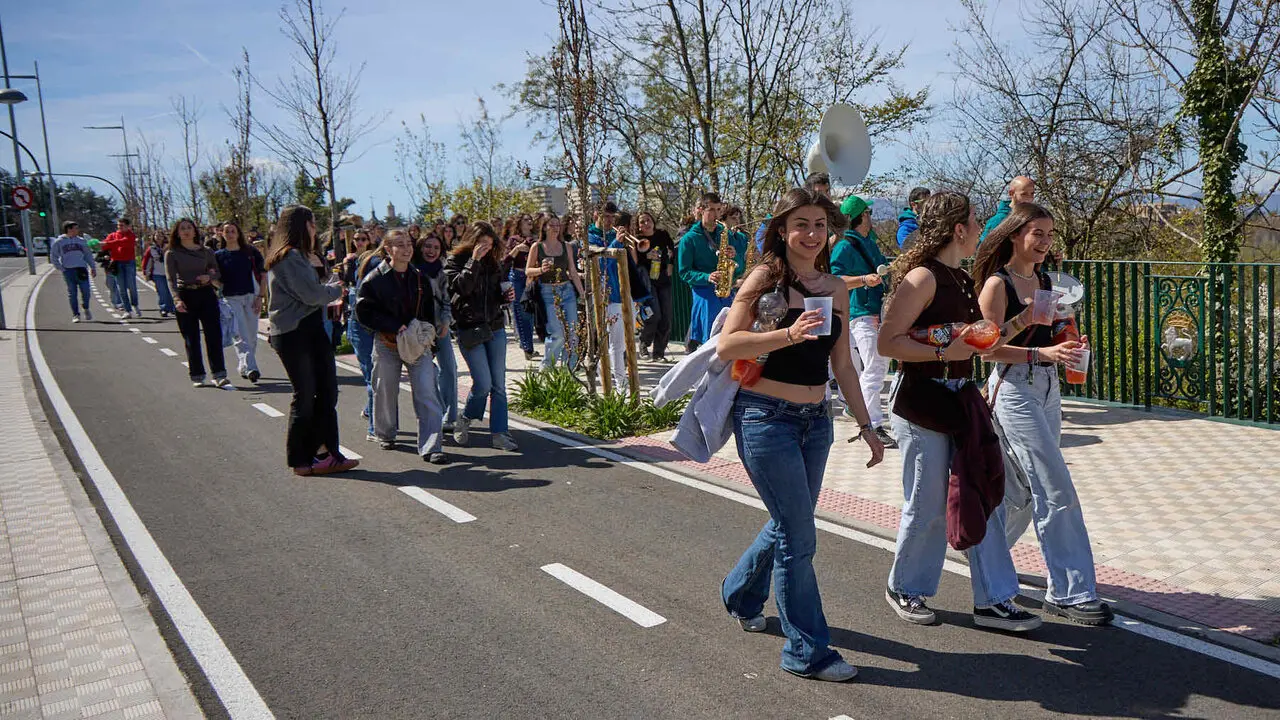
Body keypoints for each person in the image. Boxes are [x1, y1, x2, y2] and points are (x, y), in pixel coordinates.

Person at [718, 187, 885, 683]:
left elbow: (843, 365)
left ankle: (741, 592)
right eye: (801, 225)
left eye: (819, 225)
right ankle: (807, 651)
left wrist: (866, 424)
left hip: (817, 423)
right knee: (798, 537)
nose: (812, 234)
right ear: (782, 230)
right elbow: (729, 343)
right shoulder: (765, 278)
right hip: (765, 418)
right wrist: (786, 334)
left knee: (790, 523)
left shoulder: (835, 286)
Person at [877, 191, 1043, 633]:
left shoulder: (961, 277)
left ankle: (994, 599)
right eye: (974, 219)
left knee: (983, 494)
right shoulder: (922, 278)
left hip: (959, 399)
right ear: (957, 229)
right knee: (928, 501)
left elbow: (976, 344)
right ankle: (905, 587)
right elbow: (888, 343)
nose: (980, 226)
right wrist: (940, 351)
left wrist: (1024, 322)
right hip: (921, 400)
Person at [974, 202, 1112, 626]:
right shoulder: (998, 286)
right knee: (1055, 485)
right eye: (1038, 234)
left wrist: (1070, 344)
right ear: (1015, 235)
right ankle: (1070, 592)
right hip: (1013, 386)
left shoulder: (1049, 281)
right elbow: (987, 347)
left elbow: (1058, 329)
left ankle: (986, 559)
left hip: (1048, 386)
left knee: (1021, 491)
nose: (1045, 243)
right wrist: (1040, 350)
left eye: (1050, 235)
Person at [265, 204, 359, 477]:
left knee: (327, 391)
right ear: (300, 225)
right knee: (306, 395)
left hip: (311, 328)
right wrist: (335, 289)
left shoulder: (303, 256)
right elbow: (311, 294)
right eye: (312, 223)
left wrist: (325, 280)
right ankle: (301, 459)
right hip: (294, 332)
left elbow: (314, 289)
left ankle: (325, 453)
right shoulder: (287, 257)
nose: (315, 228)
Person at [357, 229, 448, 464]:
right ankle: (386, 433)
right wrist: (393, 325)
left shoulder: (420, 279)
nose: (407, 249)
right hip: (387, 343)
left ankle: (431, 446)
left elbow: (428, 312)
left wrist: (429, 340)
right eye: (400, 244)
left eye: (409, 244)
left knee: (427, 390)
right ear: (388, 249)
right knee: (385, 389)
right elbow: (364, 313)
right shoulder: (374, 279)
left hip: (417, 344)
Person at [829, 195, 895, 448]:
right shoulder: (845, 246)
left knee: (871, 367)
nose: (871, 216)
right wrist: (864, 280)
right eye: (868, 212)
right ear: (861, 216)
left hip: (872, 311)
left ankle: (860, 413)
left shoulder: (869, 243)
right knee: (876, 368)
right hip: (860, 312)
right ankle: (873, 423)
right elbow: (836, 280)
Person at [447, 221, 520, 452]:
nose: (486, 249)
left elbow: (494, 295)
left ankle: (500, 433)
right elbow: (461, 288)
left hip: (495, 326)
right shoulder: (455, 262)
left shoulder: (494, 263)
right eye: (481, 245)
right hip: (469, 328)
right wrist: (474, 261)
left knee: (498, 385)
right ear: (471, 241)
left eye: (489, 245)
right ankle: (466, 416)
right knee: (483, 383)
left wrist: (505, 296)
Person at [165, 219, 230, 389]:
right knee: (191, 337)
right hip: (185, 295)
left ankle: (219, 374)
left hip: (206, 294)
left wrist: (209, 277)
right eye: (182, 229)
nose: (186, 231)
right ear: (177, 233)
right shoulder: (172, 253)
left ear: (195, 231)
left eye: (189, 228)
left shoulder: (206, 251)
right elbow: (170, 279)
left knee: (214, 335)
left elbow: (215, 272)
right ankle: (197, 374)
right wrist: (177, 299)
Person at [677, 192, 738, 353]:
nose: (716, 215)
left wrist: (733, 254)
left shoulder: (723, 233)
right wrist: (707, 276)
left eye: (719, 210)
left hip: (725, 289)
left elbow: (739, 266)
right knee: (709, 339)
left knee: (730, 332)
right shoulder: (689, 239)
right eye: (711, 210)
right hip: (704, 292)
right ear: (701, 210)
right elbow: (684, 272)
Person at [527, 215, 584, 369]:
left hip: (567, 290)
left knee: (573, 334)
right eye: (551, 225)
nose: (555, 228)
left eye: (557, 225)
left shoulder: (566, 246)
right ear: (544, 227)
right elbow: (528, 271)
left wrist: (582, 293)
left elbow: (572, 270)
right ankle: (546, 369)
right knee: (557, 334)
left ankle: (569, 372)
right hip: (547, 291)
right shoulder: (537, 247)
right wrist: (540, 269)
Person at [416, 233, 459, 433]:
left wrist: (445, 321)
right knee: (427, 373)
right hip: (418, 329)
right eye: (427, 246)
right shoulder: (412, 270)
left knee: (449, 368)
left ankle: (449, 416)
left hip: (440, 326)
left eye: (435, 247)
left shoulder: (442, 272)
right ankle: (431, 414)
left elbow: (446, 299)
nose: (431, 251)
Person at [216, 221, 267, 383]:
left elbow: (263, 274)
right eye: (227, 231)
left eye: (233, 231)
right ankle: (252, 368)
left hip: (251, 296)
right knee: (240, 333)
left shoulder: (250, 252)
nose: (230, 234)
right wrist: (219, 285)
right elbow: (214, 278)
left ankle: (244, 366)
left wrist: (261, 297)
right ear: (222, 234)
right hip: (231, 299)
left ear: (238, 233)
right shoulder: (218, 256)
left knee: (251, 336)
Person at [588, 202, 630, 393]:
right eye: (606, 216)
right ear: (596, 214)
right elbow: (601, 260)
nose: (610, 221)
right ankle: (616, 384)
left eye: (612, 217)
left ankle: (619, 382)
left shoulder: (614, 235)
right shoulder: (588, 236)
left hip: (620, 293)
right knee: (608, 343)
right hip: (602, 295)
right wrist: (616, 243)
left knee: (619, 343)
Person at [344, 230, 381, 441]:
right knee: (373, 378)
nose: (359, 242)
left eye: (363, 239)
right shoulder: (363, 261)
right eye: (356, 239)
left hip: (378, 326)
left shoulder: (377, 261)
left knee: (380, 378)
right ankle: (374, 428)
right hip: (360, 326)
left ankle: (373, 414)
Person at [634, 211, 675, 362]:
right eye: (642, 222)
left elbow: (671, 250)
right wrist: (646, 256)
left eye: (648, 220)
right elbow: (635, 260)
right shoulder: (637, 240)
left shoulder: (662, 234)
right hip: (647, 281)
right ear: (638, 226)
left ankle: (659, 352)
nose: (646, 224)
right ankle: (644, 343)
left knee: (666, 317)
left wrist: (670, 264)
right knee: (654, 314)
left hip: (663, 279)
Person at [504, 214, 539, 361]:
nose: (529, 222)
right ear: (520, 223)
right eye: (526, 220)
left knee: (531, 313)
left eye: (530, 219)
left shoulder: (536, 239)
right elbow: (506, 260)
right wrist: (518, 248)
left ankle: (529, 345)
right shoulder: (514, 240)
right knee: (520, 311)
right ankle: (527, 347)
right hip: (517, 277)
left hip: (531, 277)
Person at [49, 220, 95, 323]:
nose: (77, 230)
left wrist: (93, 267)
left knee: (86, 291)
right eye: (75, 228)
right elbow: (54, 256)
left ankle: (86, 307)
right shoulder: (59, 242)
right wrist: (61, 268)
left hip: (81, 269)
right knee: (72, 293)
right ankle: (75, 314)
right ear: (69, 229)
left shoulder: (81, 241)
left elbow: (88, 255)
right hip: (68, 270)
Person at [102, 217, 141, 318]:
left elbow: (123, 242)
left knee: (131, 286)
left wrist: (108, 243)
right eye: (118, 225)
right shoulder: (112, 235)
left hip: (129, 263)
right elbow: (105, 246)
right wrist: (99, 245)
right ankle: (127, 310)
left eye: (122, 225)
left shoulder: (131, 235)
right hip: (117, 263)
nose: (119, 227)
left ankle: (135, 305)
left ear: (128, 226)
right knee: (121, 287)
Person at [979, 176, 1036, 244]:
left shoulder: (1033, 219)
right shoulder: (998, 220)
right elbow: (983, 249)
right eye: (1024, 194)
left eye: (1032, 194)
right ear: (1011, 193)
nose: (1029, 198)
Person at [142, 232, 175, 317]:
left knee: (171, 291)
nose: (159, 238)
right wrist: (146, 272)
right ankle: (163, 308)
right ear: (153, 237)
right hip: (158, 273)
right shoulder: (151, 249)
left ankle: (172, 308)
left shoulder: (169, 247)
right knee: (162, 291)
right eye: (157, 236)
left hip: (170, 272)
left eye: (161, 236)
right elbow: (146, 261)